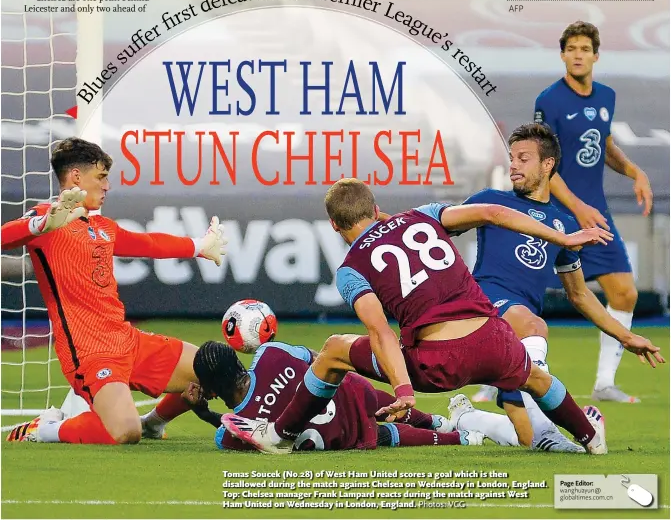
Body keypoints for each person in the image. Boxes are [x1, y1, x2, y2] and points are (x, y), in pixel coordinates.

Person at [221, 179, 613, 455]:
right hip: (494, 340)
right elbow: (493, 212)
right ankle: (589, 437)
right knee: (538, 378)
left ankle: (280, 434)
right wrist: (562, 238)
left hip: (438, 362)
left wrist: (405, 391)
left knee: (334, 350)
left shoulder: (351, 268)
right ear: (376, 208)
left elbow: (381, 332)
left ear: (335, 226)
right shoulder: (423, 215)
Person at [3, 137, 227, 444]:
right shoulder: (47, 217)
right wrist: (41, 225)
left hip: (127, 340)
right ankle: (44, 429)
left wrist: (200, 246)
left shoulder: (102, 226)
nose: (107, 186)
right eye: (102, 177)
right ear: (77, 177)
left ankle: (154, 422)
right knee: (124, 432)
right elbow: (5, 237)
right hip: (90, 353)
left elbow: (147, 244)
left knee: (213, 369)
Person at [461, 123, 663, 447]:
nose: (512, 164)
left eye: (523, 158)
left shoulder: (565, 225)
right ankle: (571, 432)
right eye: (511, 157)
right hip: (486, 307)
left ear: (547, 165)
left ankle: (469, 420)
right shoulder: (489, 202)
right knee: (533, 326)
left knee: (524, 436)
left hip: (517, 340)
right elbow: (436, 223)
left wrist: (626, 336)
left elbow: (580, 294)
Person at [534, 21, 654, 403]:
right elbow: (543, 168)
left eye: (585, 49)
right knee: (523, 295)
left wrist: (636, 171)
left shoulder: (606, 96)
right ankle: (496, 379)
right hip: (554, 211)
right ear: (563, 55)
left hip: (594, 213)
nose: (578, 55)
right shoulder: (549, 101)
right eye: (572, 49)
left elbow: (603, 145)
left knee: (623, 292)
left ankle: (603, 383)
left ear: (595, 55)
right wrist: (577, 206)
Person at [153, 339, 489, 451]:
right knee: (379, 399)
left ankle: (461, 439)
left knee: (387, 434)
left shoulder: (230, 431)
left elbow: (236, 432)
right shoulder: (269, 353)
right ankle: (442, 422)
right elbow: (318, 357)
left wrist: (202, 412)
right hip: (351, 393)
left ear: (210, 390)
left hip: (339, 434)